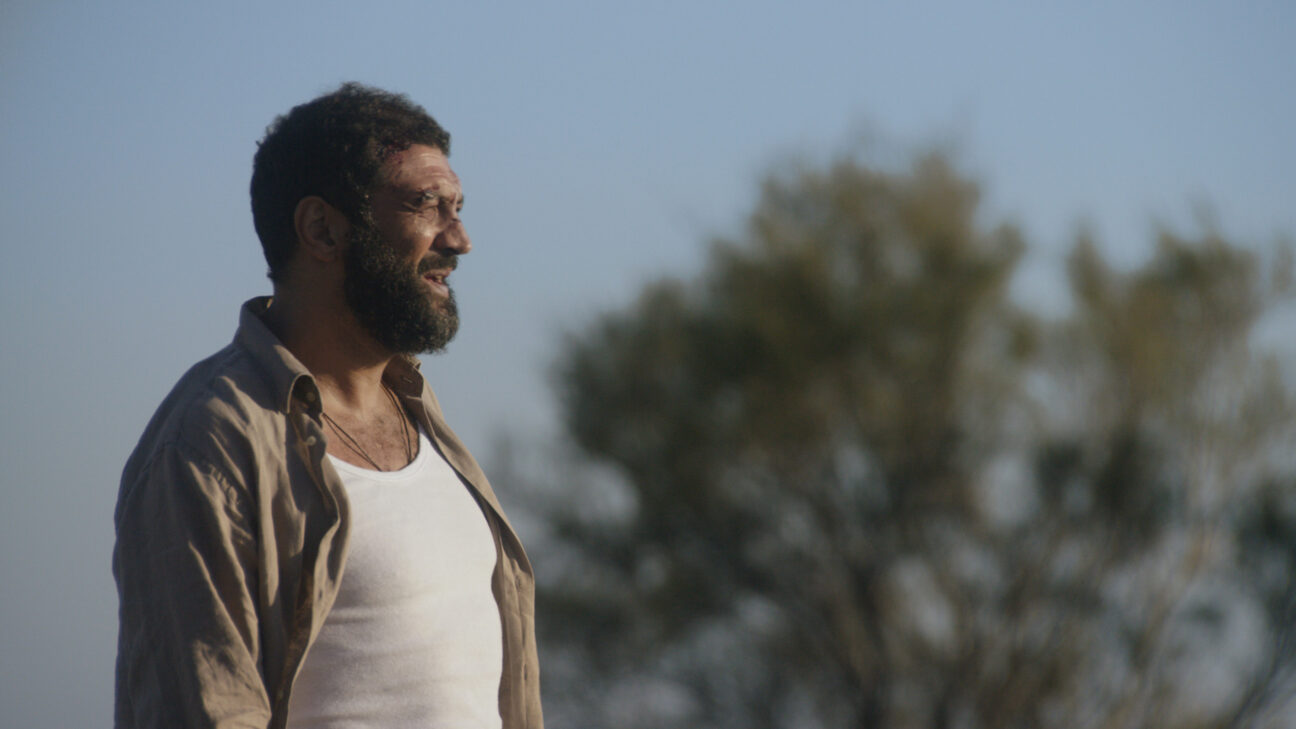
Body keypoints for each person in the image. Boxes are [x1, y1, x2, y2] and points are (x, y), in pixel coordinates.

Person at [112, 83, 542, 729]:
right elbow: (207, 708)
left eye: (456, 208)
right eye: (425, 205)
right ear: (321, 229)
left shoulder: (422, 415)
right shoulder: (208, 441)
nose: (459, 240)